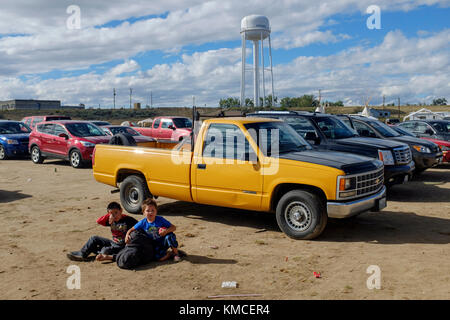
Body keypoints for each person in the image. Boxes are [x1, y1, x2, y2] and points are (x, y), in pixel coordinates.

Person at [66, 202, 138, 262]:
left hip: (121, 246)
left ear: (121, 211)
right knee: (93, 238)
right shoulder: (111, 219)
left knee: (105, 251)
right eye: (111, 213)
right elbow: (99, 221)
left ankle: (96, 251)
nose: (114, 215)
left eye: (116, 212)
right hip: (113, 242)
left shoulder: (128, 220)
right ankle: (82, 254)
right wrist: (108, 216)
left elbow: (138, 227)